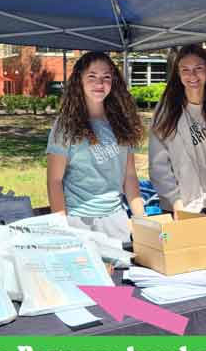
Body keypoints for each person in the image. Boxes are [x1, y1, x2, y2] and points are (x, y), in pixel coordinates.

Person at [47, 51, 145, 242]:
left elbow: (130, 176)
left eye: (106, 77)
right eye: (92, 76)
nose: (99, 84)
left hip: (116, 221)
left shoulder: (124, 123)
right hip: (78, 221)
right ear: (79, 81)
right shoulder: (65, 126)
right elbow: (54, 181)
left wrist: (141, 219)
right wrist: (62, 227)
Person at [149, 44, 206, 228]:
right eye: (185, 70)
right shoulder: (166, 109)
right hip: (177, 207)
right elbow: (158, 163)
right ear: (178, 72)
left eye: (198, 68)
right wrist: (175, 201)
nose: (192, 76)